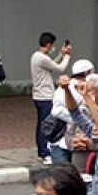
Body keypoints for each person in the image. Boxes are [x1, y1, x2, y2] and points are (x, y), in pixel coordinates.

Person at [31, 32, 72, 164]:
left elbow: (51, 65)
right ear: (48, 45)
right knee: (46, 124)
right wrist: (67, 56)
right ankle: (44, 152)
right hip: (44, 96)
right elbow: (59, 68)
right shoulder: (41, 58)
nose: (53, 47)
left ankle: (42, 150)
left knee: (42, 123)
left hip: (39, 95)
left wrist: (61, 53)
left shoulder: (38, 57)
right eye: (52, 45)